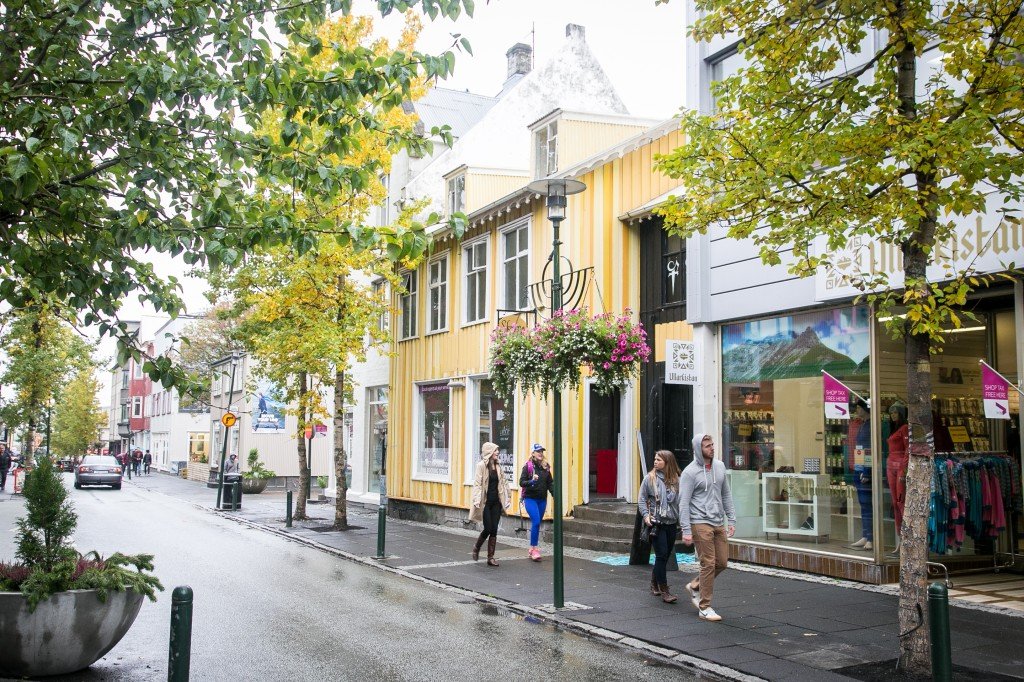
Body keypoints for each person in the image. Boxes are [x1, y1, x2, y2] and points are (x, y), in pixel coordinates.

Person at [679, 433, 736, 622]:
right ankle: (704, 607)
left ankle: (695, 585)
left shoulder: (719, 466)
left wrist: (732, 519)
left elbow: (726, 494)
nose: (712, 448)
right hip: (699, 521)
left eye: (712, 445)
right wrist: (686, 530)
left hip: (718, 520)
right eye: (707, 446)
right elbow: (683, 503)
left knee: (722, 562)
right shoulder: (689, 472)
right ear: (698, 449)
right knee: (708, 563)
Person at [638, 450, 683, 603]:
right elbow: (641, 499)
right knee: (662, 554)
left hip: (671, 522)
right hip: (656, 523)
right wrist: (646, 516)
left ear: (667, 462)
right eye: (655, 459)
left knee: (664, 555)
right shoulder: (649, 479)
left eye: (659, 460)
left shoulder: (677, 480)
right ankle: (665, 591)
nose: (655, 462)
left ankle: (654, 582)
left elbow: (681, 502)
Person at [469, 442, 511, 566]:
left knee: (494, 530)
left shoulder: (498, 466)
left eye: (497, 450)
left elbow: (504, 481)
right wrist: (476, 499)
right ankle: (477, 547)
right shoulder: (481, 466)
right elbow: (477, 484)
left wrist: (508, 496)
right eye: (495, 451)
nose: (497, 452)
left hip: (496, 503)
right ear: (489, 452)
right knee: (488, 528)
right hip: (486, 503)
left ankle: (490, 557)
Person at [520, 443, 554, 562]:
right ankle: (535, 549)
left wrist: (555, 495)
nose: (540, 453)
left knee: (538, 523)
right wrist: (531, 481)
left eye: (542, 451)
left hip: (542, 499)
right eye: (538, 451)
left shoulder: (546, 467)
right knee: (535, 521)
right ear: (533, 453)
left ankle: (531, 548)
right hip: (530, 499)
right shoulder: (528, 467)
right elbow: (522, 482)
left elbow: (550, 483)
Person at [849, 400, 873, 551]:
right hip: (859, 466)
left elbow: (870, 449)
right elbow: (860, 449)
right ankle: (866, 534)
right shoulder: (862, 424)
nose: (857, 410)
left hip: (865, 468)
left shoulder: (871, 425)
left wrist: (867, 470)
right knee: (863, 504)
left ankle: (871, 536)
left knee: (868, 503)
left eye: (859, 407)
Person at [886, 403, 909, 553]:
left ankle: (907, 538)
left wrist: (904, 470)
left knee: (901, 502)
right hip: (890, 466)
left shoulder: (905, 428)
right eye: (891, 412)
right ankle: (900, 538)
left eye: (895, 412)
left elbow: (908, 449)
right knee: (895, 502)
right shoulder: (894, 428)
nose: (893, 415)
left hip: (900, 466)